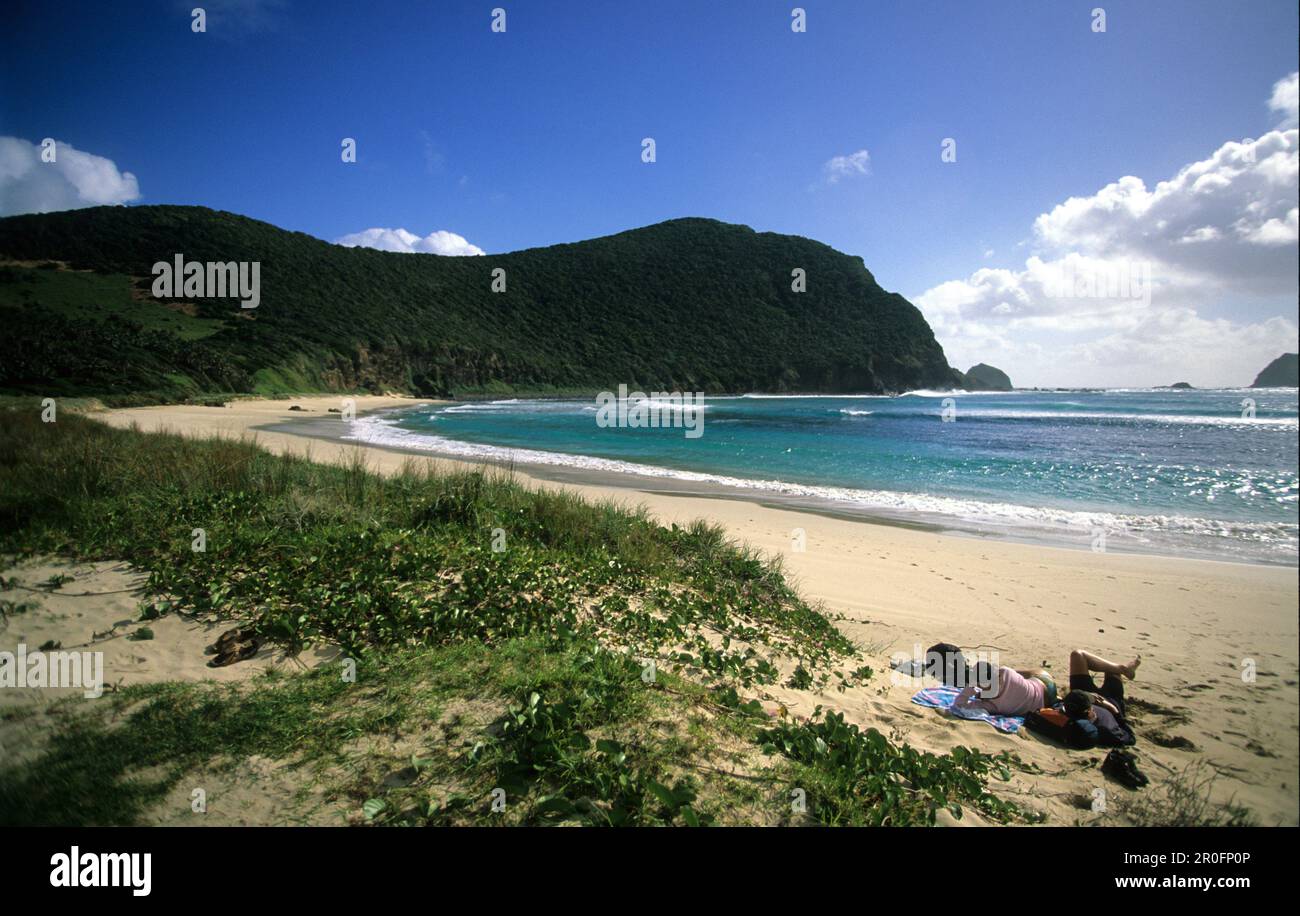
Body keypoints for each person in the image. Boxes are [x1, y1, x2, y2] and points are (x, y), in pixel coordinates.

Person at [1061, 649, 1140, 746]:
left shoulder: (1068, 710)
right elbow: (1130, 738)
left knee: (1077, 655)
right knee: (1112, 672)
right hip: (1111, 701)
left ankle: (1122, 668)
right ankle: (1124, 669)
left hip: (1081, 696)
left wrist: (1088, 696)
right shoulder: (1106, 729)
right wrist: (1113, 709)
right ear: (1090, 713)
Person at [948, 661, 1058, 718]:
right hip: (1046, 684)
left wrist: (969, 689)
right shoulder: (1005, 671)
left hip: (1043, 705)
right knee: (1025, 675)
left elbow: (958, 705)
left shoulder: (992, 705)